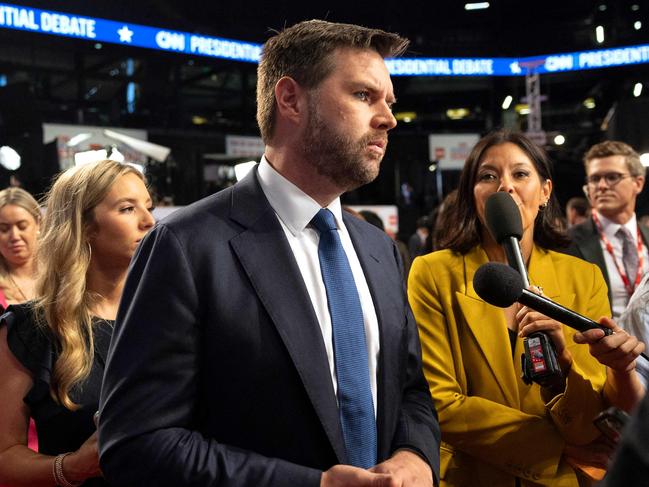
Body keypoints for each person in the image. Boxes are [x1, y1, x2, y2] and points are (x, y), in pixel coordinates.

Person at [99, 20, 440, 487]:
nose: (388, 118)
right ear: (290, 99)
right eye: (363, 96)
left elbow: (411, 393)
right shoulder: (184, 246)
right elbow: (137, 442)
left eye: (389, 102)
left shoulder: (382, 251)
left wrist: (415, 456)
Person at [408, 130, 644, 487]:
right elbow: (438, 403)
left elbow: (587, 424)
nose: (505, 186)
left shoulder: (584, 278)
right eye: (488, 176)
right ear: (472, 195)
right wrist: (551, 448)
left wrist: (563, 368)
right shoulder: (432, 273)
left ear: (545, 191)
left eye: (520, 174)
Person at [0, 160, 154, 486]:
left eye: (148, 206)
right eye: (127, 209)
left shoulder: (170, 314)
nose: (148, 221)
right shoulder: (33, 328)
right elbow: (5, 457)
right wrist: (71, 467)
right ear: (84, 226)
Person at [567, 141, 649, 319]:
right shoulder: (566, 243)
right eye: (595, 179)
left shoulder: (646, 236)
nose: (602, 186)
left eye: (612, 177)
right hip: (600, 344)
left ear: (638, 183)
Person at [0, 188, 40, 309]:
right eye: (4, 229)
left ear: (38, 224)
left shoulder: (61, 273)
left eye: (22, 226)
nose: (14, 236)